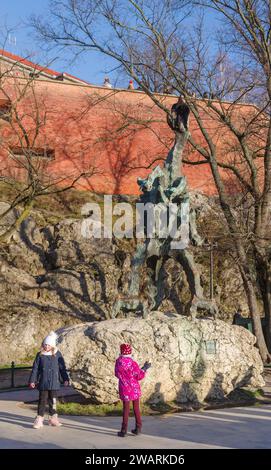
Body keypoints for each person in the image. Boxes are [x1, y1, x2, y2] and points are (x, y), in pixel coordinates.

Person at [29, 331, 70, 429]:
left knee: (53, 401)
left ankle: (53, 418)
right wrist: (32, 380)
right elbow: (35, 369)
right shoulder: (40, 355)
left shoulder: (57, 354)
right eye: (45, 344)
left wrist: (65, 379)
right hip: (43, 382)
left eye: (49, 345)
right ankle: (39, 419)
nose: (46, 346)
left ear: (52, 345)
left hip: (54, 383)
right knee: (42, 401)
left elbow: (62, 368)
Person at [115, 343, 151, 437]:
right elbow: (139, 376)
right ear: (130, 351)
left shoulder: (118, 362)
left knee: (126, 409)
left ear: (121, 351)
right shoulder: (133, 363)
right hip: (134, 388)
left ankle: (123, 430)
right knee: (136, 408)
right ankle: (138, 428)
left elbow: (116, 374)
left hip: (124, 388)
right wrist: (144, 368)